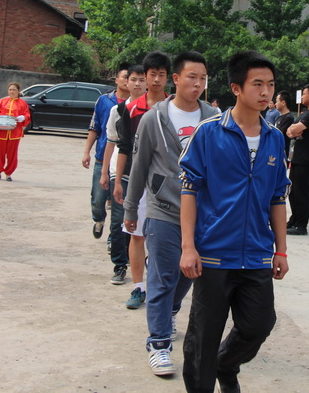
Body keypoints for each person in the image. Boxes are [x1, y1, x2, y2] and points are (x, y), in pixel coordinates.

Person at [179, 51, 291, 393]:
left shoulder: (274, 138)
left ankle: (226, 366)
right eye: (257, 84)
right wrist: (188, 247)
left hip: (256, 253)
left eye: (270, 85)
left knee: (259, 324)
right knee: (204, 338)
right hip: (213, 254)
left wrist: (281, 250)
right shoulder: (209, 133)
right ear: (236, 88)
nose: (266, 92)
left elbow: (277, 197)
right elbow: (189, 189)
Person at [122, 51, 217, 377]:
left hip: (202, 214)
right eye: (192, 77)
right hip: (163, 209)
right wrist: (131, 208)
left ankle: (169, 309)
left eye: (203, 78)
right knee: (162, 278)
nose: (198, 84)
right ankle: (159, 344)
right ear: (175, 79)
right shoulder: (154, 118)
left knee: (190, 273)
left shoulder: (214, 118)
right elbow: (140, 166)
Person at [115, 52, 171, 307]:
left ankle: (160, 287)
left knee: (162, 239)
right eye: (152, 74)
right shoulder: (129, 110)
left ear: (169, 78)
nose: (156, 80)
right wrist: (118, 180)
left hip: (167, 186)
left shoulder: (174, 109)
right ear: (144, 77)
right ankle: (138, 287)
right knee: (136, 235)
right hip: (137, 183)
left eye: (161, 75)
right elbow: (124, 146)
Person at [101, 65, 146, 286]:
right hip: (121, 171)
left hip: (147, 173)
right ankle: (119, 264)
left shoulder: (155, 111)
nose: (137, 84)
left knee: (140, 222)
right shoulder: (117, 111)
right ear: (126, 83)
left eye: (141, 80)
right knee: (119, 219)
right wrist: (106, 173)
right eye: (133, 79)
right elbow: (111, 142)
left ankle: (139, 260)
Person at [83, 66, 129, 239]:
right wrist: (86, 151)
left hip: (124, 162)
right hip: (104, 157)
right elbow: (95, 127)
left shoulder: (136, 104)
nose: (127, 80)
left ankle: (113, 237)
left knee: (119, 203)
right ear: (116, 80)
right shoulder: (104, 100)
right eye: (124, 77)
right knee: (98, 197)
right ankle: (99, 219)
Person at [285, 83, 309, 235]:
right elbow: (290, 132)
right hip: (296, 157)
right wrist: (295, 130)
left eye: (304, 94)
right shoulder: (306, 113)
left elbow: (293, 129)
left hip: (305, 158)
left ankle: (301, 225)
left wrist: (295, 130)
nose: (302, 97)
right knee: (293, 191)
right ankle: (294, 219)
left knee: (301, 191)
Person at [0, 82, 30, 181]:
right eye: (10, 90)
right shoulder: (2, 101)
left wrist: (23, 117)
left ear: (18, 91)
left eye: (14, 90)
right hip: (1, 131)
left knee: (12, 154)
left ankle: (8, 173)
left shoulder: (23, 104)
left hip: (15, 133)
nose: (12, 91)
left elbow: (27, 115)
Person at [273, 90, 294, 161]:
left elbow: (277, 133)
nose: (275, 104)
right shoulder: (279, 117)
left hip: (282, 152)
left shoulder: (288, 118)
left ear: (283, 103)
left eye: (277, 101)